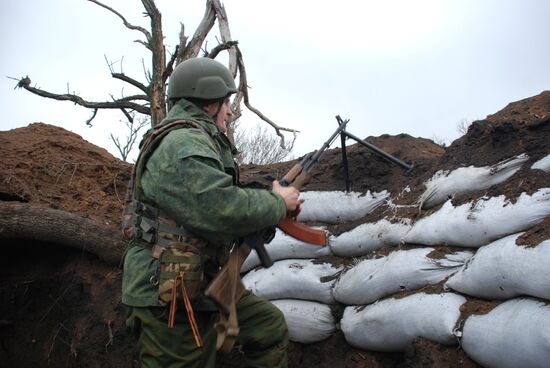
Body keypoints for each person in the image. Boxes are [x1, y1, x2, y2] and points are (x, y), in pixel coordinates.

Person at [121, 57, 302, 368]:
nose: (230, 111)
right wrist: (276, 204)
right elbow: (218, 208)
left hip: (204, 277)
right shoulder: (182, 142)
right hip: (167, 288)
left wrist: (262, 214)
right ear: (208, 103)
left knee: (266, 326)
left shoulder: (196, 140)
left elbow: (206, 209)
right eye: (226, 101)